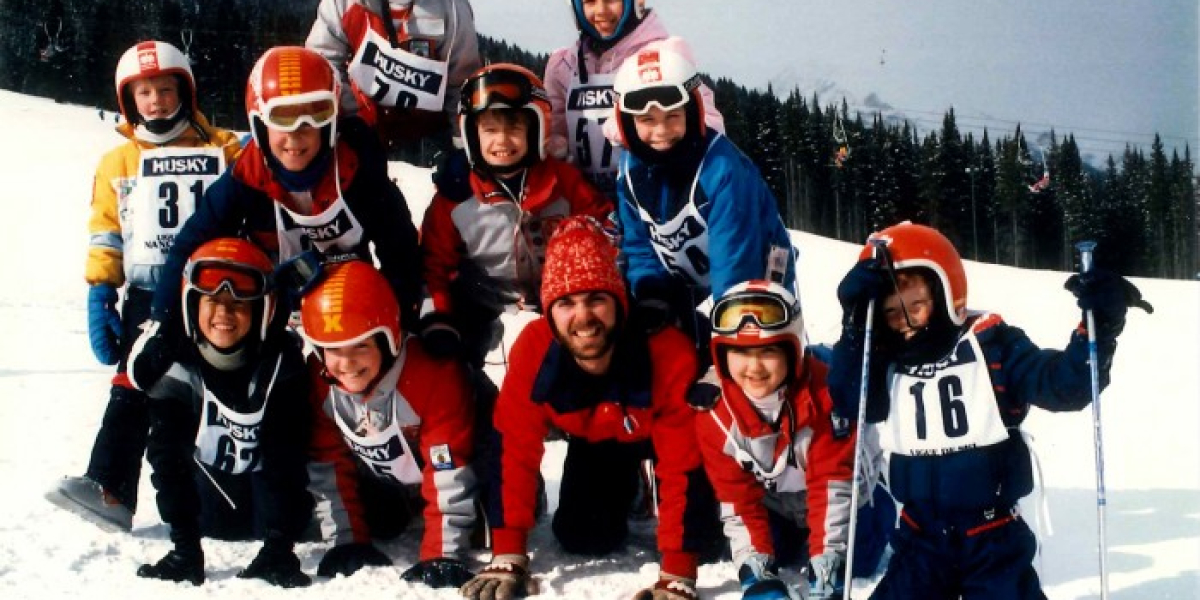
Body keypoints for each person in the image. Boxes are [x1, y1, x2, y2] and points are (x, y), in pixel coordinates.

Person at [827, 221, 1150, 599]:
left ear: (947, 292)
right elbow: (851, 401)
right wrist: (854, 326)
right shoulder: (882, 360)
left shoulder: (991, 344)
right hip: (921, 537)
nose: (907, 323)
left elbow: (1066, 387)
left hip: (991, 536)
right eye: (892, 313)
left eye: (916, 306)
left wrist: (1101, 325)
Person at [459, 216, 720, 600]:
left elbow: (682, 463)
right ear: (549, 312)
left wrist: (678, 572)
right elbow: (514, 447)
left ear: (618, 303)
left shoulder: (666, 350)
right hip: (600, 437)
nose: (583, 318)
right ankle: (632, 486)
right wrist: (508, 551)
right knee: (584, 537)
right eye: (566, 303)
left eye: (596, 299)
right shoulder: (534, 348)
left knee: (707, 547)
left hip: (669, 432)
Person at [132, 45, 423, 389]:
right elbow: (191, 242)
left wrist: (396, 326)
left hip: (344, 304)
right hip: (271, 304)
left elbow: (401, 253)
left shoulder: (360, 173)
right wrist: (163, 322)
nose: (296, 135)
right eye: (283, 118)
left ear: (331, 122)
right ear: (259, 123)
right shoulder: (247, 175)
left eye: (313, 116)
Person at [47, 40, 241, 533]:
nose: (155, 101)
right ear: (127, 101)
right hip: (148, 292)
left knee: (227, 392)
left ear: (186, 91)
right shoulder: (119, 161)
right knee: (134, 383)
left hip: (218, 291)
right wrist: (100, 292)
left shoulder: (223, 147)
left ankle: (237, 497)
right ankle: (110, 488)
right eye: (144, 94)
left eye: (165, 89)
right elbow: (106, 231)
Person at [130, 238, 313, 587]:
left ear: (262, 310)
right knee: (218, 521)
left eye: (239, 304)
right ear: (192, 305)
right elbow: (167, 460)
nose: (224, 314)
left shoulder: (282, 366)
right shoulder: (177, 365)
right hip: (211, 494)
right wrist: (185, 545)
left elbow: (288, 460)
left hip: (272, 497)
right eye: (212, 301)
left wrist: (280, 545)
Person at [417, 63, 612, 372]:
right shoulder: (455, 198)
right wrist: (438, 317)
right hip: (486, 304)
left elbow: (606, 231)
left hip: (561, 300)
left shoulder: (564, 183)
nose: (502, 141)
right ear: (471, 133)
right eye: (490, 130)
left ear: (537, 129)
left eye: (514, 128)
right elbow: (432, 267)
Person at [299, 261, 478, 589]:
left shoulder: (433, 375)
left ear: (388, 340)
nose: (347, 363)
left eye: (361, 346)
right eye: (334, 350)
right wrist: (346, 540)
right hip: (394, 475)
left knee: (484, 526)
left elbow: (448, 468)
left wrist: (442, 552)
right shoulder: (320, 380)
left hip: (469, 462)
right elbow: (328, 462)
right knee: (382, 522)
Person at [612, 41, 794, 353]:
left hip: (755, 265)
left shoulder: (723, 171)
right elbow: (639, 244)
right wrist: (651, 292)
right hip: (685, 271)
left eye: (672, 116)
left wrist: (727, 345)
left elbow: (736, 265)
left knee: (762, 353)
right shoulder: (630, 171)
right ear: (627, 122)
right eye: (647, 120)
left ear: (692, 111)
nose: (661, 131)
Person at [694, 280, 856, 600]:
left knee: (859, 558)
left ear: (792, 350)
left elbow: (831, 485)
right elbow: (737, 498)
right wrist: (755, 572)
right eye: (740, 351)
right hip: (779, 503)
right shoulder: (713, 413)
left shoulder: (825, 395)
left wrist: (828, 560)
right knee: (772, 550)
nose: (754, 367)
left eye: (768, 350)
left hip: (846, 497)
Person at [543, 0, 724, 198]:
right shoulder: (563, 66)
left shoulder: (662, 55)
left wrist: (633, 127)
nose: (601, 11)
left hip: (650, 195)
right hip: (585, 201)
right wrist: (553, 145)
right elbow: (553, 129)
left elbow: (709, 123)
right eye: (590, 2)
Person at [305, 0, 481, 159]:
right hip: (362, 127)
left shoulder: (452, 8)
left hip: (430, 134)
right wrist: (353, 120)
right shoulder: (341, 4)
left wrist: (463, 147)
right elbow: (322, 66)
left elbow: (462, 85)